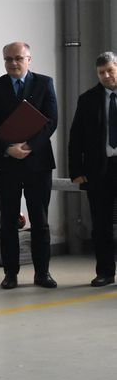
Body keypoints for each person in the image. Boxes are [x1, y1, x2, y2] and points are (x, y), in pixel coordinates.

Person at [0, 42, 58, 290]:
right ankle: (10, 274)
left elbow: (51, 121)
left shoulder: (44, 83)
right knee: (8, 221)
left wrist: (29, 146)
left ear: (29, 59)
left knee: (40, 220)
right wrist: (8, 148)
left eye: (18, 58)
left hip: (38, 162)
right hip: (6, 162)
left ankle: (42, 273)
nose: (13, 63)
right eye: (8, 59)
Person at [68, 51, 117, 287]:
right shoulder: (87, 99)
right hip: (100, 170)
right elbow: (75, 137)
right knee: (101, 224)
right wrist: (76, 170)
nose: (106, 76)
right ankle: (105, 272)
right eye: (101, 72)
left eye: (110, 70)